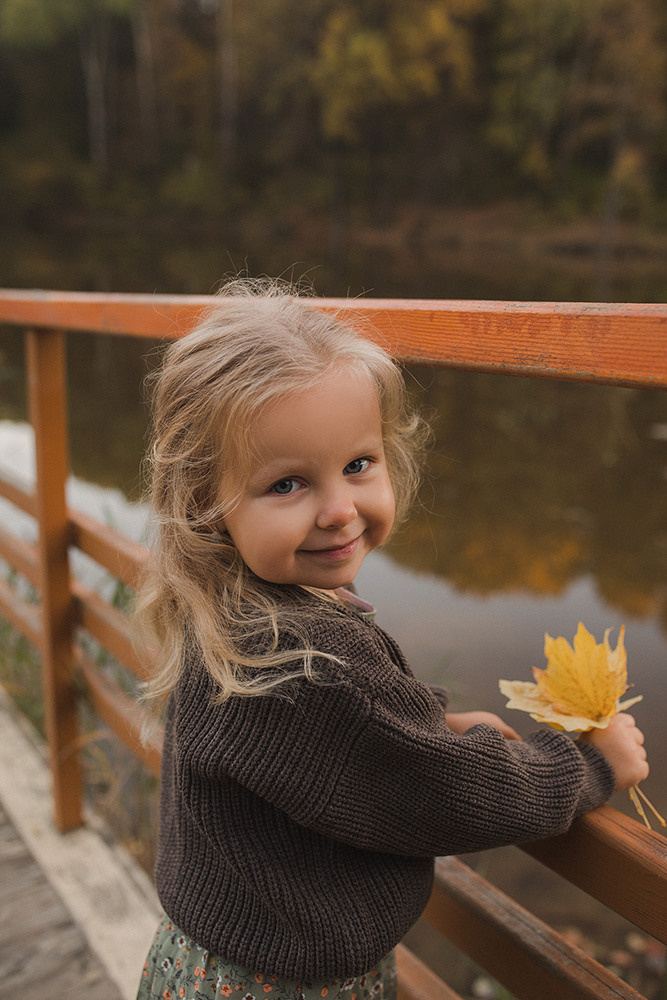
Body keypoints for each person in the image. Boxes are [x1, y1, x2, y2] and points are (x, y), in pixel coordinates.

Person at [135, 279, 649, 1000]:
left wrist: (431, 725)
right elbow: (442, 795)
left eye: (357, 465)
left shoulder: (228, 606)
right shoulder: (307, 664)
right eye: (287, 485)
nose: (338, 510)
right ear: (204, 503)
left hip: (207, 961)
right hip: (286, 986)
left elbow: (344, 750)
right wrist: (587, 767)